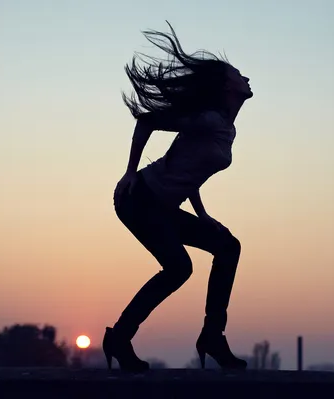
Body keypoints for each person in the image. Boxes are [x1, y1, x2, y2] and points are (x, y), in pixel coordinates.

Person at [102, 22, 253, 372]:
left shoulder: (225, 127)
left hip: (164, 207)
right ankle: (121, 338)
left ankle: (212, 336)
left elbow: (190, 172)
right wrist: (128, 171)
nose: (246, 77)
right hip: (138, 198)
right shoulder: (207, 118)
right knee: (179, 268)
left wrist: (202, 214)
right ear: (227, 86)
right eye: (238, 74)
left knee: (228, 246)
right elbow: (147, 121)